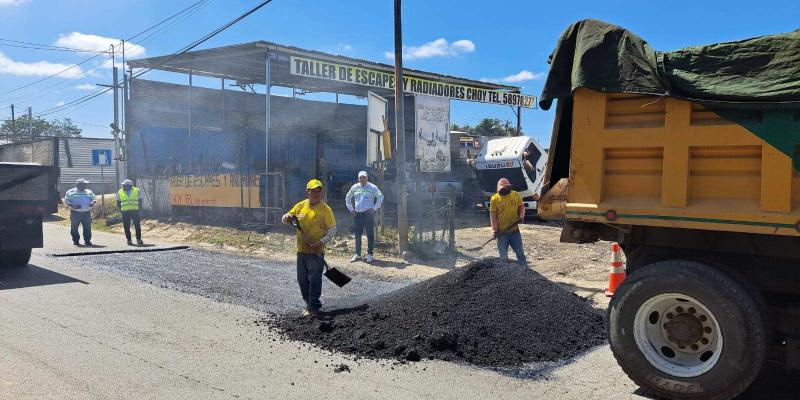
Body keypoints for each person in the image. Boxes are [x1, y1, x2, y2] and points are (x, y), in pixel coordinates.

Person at [282, 179, 337, 317]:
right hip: (301, 251)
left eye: (318, 190)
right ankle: (308, 304)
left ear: (322, 192)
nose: (316, 193)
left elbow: (333, 230)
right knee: (303, 280)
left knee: (314, 279)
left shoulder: (325, 209)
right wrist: (286, 217)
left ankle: (314, 306)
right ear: (308, 192)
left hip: (316, 251)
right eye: (313, 190)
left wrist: (322, 242)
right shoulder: (300, 206)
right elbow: (285, 218)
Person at [345, 170, 384, 263]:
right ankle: (357, 254)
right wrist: (351, 209)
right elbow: (347, 198)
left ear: (367, 178)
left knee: (370, 235)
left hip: (368, 214)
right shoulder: (355, 187)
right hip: (357, 215)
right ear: (358, 178)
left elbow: (380, 197)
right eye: (360, 178)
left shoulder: (372, 187)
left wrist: (374, 208)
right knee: (357, 235)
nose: (362, 179)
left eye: (364, 177)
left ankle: (370, 254)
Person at [489, 178, 527, 266]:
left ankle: (525, 271)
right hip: (502, 234)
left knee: (520, 254)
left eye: (506, 187)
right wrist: (494, 230)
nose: (505, 190)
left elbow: (522, 207)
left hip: (515, 232)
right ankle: (505, 275)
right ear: (498, 188)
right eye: (503, 188)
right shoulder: (494, 199)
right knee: (503, 257)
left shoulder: (515, 194)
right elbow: (493, 216)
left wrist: (522, 215)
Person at [64, 178, 96, 246]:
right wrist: (72, 205)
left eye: (85, 185)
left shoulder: (89, 192)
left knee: (87, 228)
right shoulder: (71, 192)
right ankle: (76, 241)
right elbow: (66, 201)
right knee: (74, 228)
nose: (84, 186)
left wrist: (92, 202)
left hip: (87, 212)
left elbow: (94, 199)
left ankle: (87, 241)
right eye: (83, 185)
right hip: (75, 213)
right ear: (77, 185)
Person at [116, 179, 144, 245]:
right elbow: (118, 202)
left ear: (129, 186)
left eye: (124, 185)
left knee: (137, 226)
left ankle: (139, 239)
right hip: (125, 212)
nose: (123, 186)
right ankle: (129, 240)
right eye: (123, 185)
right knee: (126, 226)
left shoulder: (137, 191)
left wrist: (139, 210)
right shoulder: (120, 192)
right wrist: (121, 210)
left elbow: (140, 201)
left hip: (135, 211)